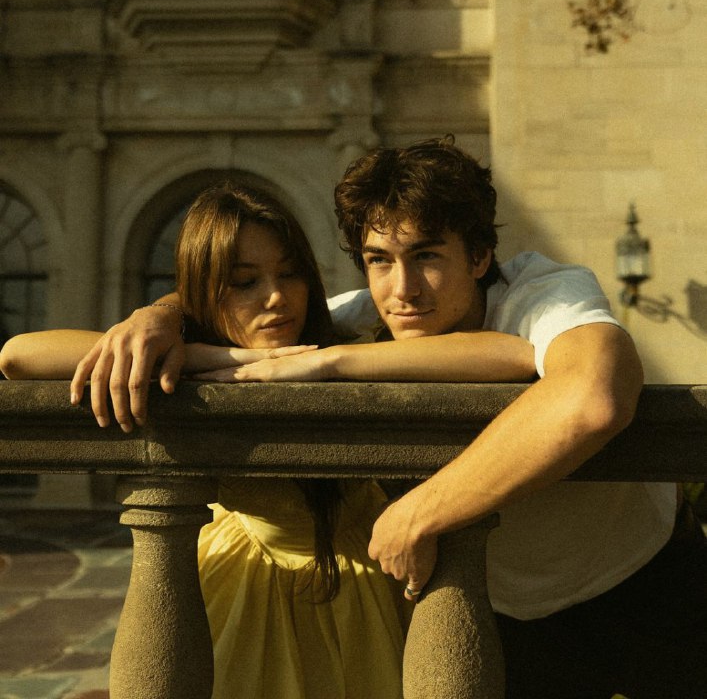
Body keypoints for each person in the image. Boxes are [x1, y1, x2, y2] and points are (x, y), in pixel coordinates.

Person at [65, 136, 707, 698]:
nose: (403, 290)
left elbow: (596, 396)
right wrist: (159, 315)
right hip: (502, 616)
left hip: (645, 578)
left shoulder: (545, 293)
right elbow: (227, 299)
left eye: (426, 255)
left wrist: (420, 509)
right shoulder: (364, 317)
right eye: (379, 260)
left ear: (480, 256)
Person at [0, 178, 536, 699]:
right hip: (245, 594)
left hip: (368, 596)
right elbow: (18, 357)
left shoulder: (339, 342)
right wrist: (201, 348)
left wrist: (330, 363)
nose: (277, 297)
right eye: (244, 282)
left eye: (290, 273)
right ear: (205, 292)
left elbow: (513, 355)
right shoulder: (197, 362)